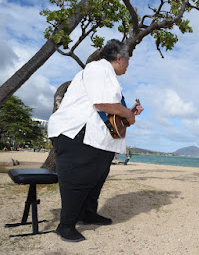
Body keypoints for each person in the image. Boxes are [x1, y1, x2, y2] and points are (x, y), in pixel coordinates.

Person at [48, 39, 143, 242]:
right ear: (119, 58)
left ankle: (87, 213)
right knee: (78, 179)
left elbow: (112, 115)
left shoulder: (106, 76)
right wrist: (128, 112)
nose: (128, 66)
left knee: (96, 178)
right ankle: (65, 225)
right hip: (78, 132)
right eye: (127, 62)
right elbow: (103, 103)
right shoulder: (98, 69)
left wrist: (129, 114)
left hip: (97, 138)